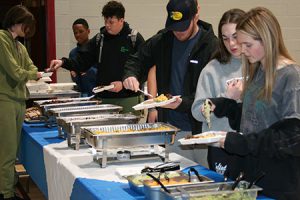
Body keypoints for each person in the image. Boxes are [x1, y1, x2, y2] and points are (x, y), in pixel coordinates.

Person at [206, 7, 300, 199]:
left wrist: (240, 143)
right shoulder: (258, 72)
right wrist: (228, 107)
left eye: (247, 45)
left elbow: (291, 138)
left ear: (266, 39)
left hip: (279, 182)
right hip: (253, 176)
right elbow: (257, 118)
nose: (242, 50)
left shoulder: (291, 77)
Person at [123, 0, 218, 164]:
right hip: (172, 130)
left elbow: (212, 93)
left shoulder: (211, 46)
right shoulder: (163, 40)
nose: (178, 33)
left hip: (202, 131)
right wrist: (130, 75)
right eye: (174, 27)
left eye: (183, 27)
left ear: (196, 16)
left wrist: (182, 103)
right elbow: (137, 60)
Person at [48, 1, 145, 114]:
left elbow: (145, 68)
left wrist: (123, 84)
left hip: (129, 99)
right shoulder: (100, 39)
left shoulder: (134, 39)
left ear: (121, 20)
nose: (107, 25)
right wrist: (63, 62)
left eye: (111, 22)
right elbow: (81, 62)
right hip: (104, 100)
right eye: (105, 21)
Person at [191, 9, 245, 179]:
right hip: (221, 148)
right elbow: (197, 111)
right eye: (225, 38)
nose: (232, 44)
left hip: (251, 146)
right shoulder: (212, 69)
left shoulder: (257, 62)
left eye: (236, 36)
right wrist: (226, 99)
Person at [0, 5, 42, 200]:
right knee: (6, 150)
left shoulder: (19, 45)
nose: (26, 30)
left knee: (13, 150)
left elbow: (29, 65)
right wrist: (35, 74)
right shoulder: (2, 40)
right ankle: (5, 193)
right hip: (5, 100)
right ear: (16, 22)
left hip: (18, 100)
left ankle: (9, 187)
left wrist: (36, 72)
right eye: (25, 25)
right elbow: (16, 72)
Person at [69, 18, 97, 97]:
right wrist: (74, 74)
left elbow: (105, 73)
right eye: (75, 33)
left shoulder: (97, 50)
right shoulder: (73, 53)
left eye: (81, 31)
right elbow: (76, 80)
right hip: (82, 95)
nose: (78, 35)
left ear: (88, 31)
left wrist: (88, 70)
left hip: (97, 94)